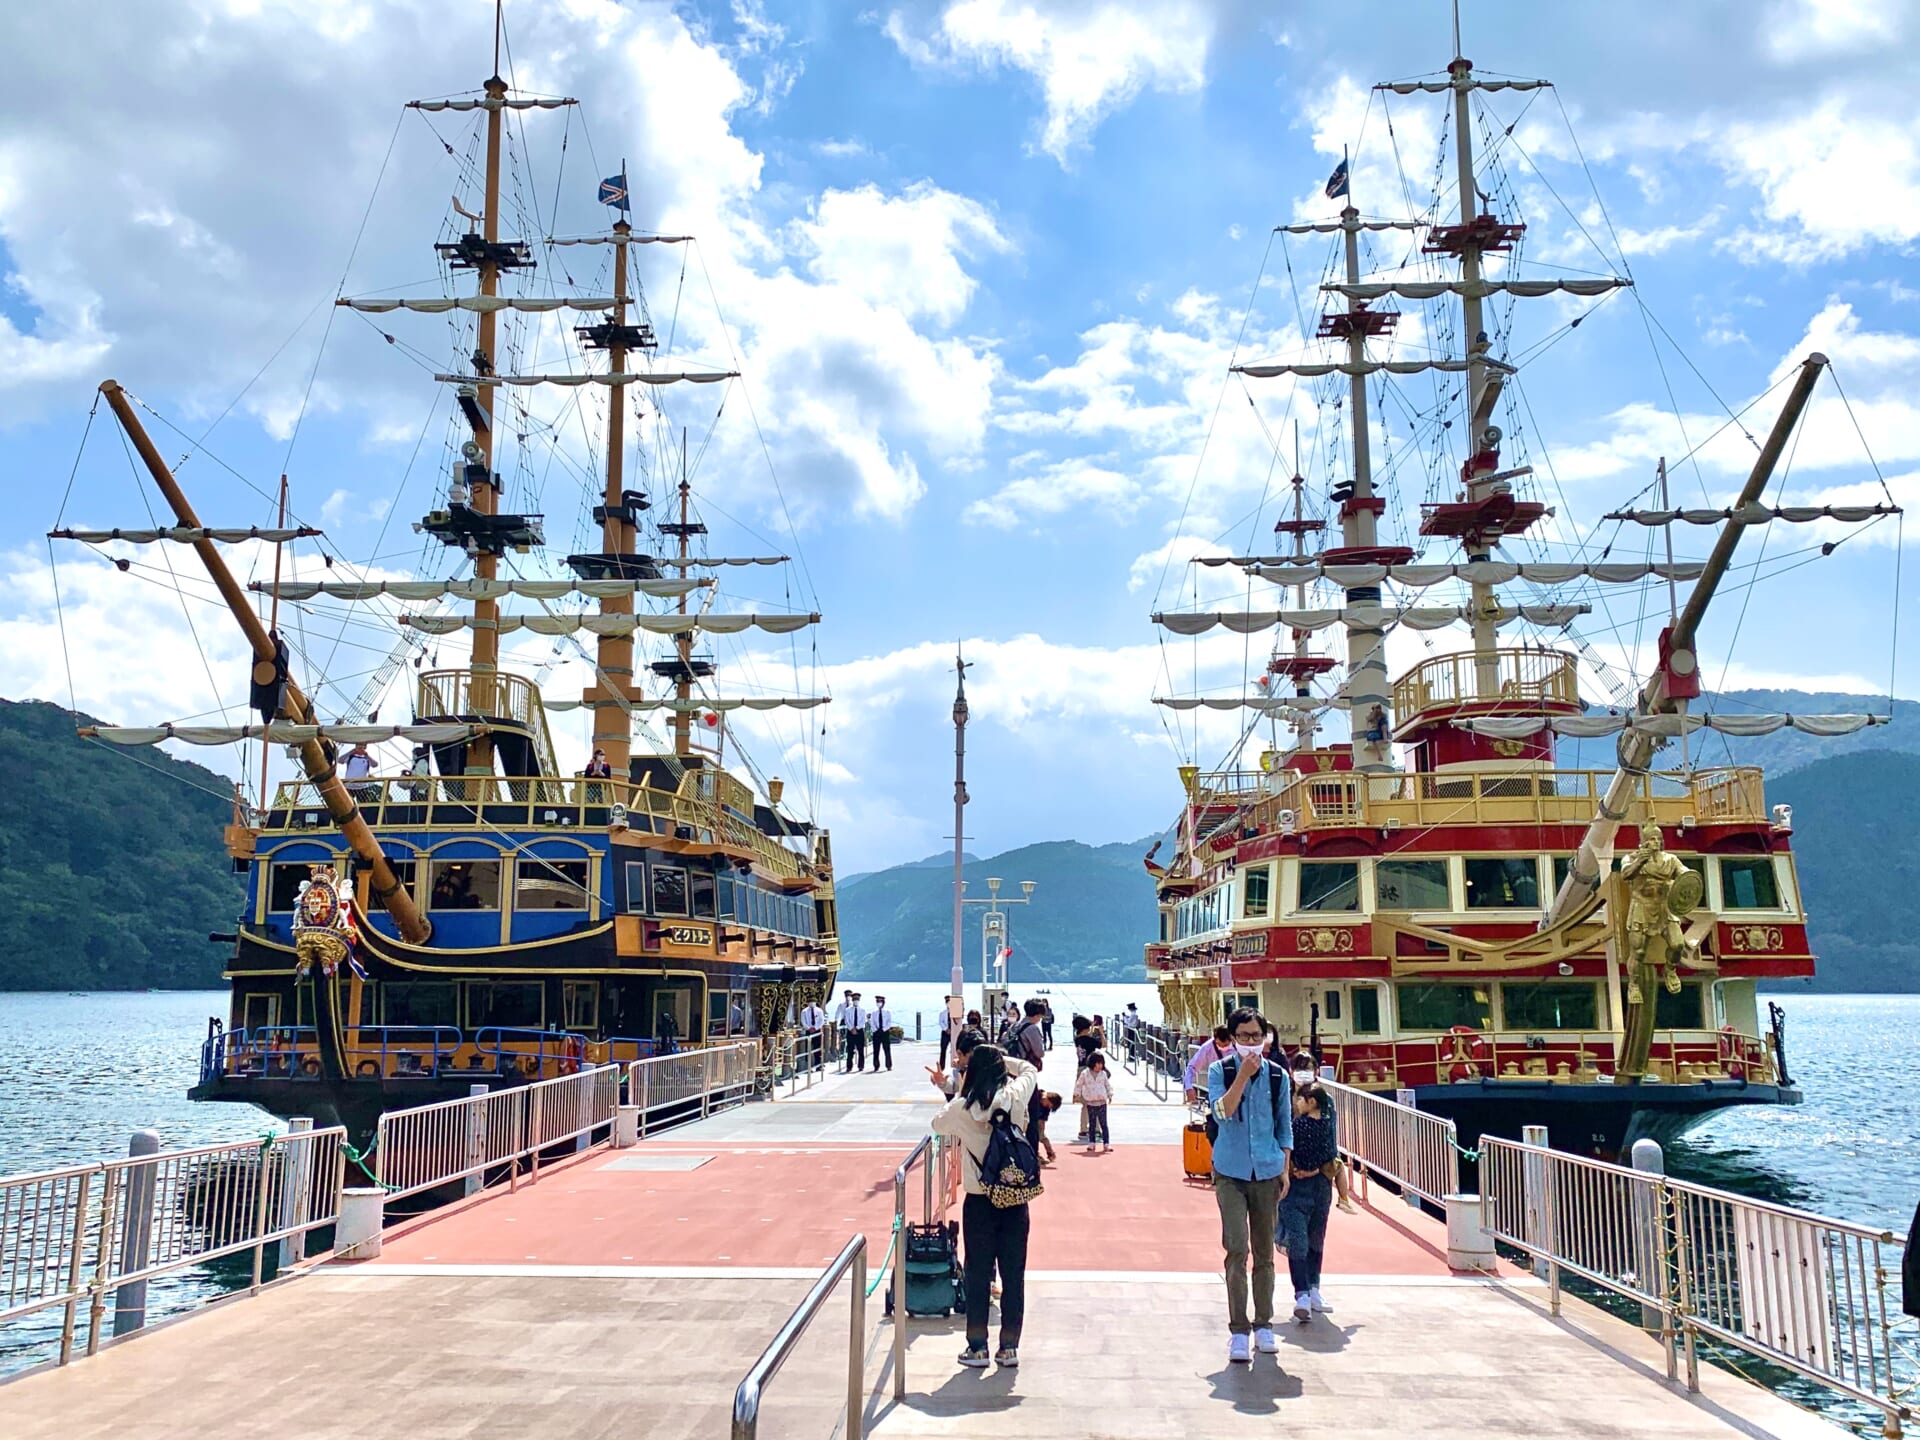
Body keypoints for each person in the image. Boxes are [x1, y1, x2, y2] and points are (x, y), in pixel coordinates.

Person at [927, 1042, 1037, 1370]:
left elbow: (937, 1125)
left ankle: (977, 1348)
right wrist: (1003, 1059)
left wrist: (959, 1087)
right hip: (1015, 1198)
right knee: (1013, 1273)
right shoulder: (1015, 1095)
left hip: (979, 1201)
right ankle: (1009, 1348)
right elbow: (1029, 1069)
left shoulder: (962, 1108)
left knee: (977, 1273)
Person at [1208, 1006, 1293, 1365]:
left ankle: (1264, 1324)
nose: (1251, 1042)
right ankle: (1239, 1330)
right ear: (1232, 1039)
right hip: (1230, 1171)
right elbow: (1222, 1112)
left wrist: (1284, 1167)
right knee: (1236, 1249)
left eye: (1257, 1035)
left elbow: (1284, 1125)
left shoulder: (1277, 1076)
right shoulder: (1221, 1071)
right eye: (1244, 1036)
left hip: (1267, 1170)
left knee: (1264, 1252)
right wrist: (1242, 1075)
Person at [1280, 1075, 1337, 1324]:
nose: (1298, 1103)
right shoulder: (1301, 1125)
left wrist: (1308, 1170)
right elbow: (1328, 1154)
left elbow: (1328, 1153)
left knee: (1312, 1239)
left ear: (1311, 1101)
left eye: (1301, 1099)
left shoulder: (1314, 1124)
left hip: (1315, 1187)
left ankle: (1311, 1289)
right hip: (1302, 1188)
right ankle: (1303, 1291)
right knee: (1303, 1239)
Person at [1183, 1026, 1235, 1106]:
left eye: (1225, 1045)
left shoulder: (1238, 1045)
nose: (1222, 1048)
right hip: (1217, 1089)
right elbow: (1192, 1067)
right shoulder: (1207, 1047)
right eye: (1219, 1045)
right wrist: (1188, 1087)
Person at [1075, 1050, 1114, 1153]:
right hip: (1091, 1102)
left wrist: (1110, 1094)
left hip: (1102, 1102)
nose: (1100, 1066)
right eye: (1098, 1064)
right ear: (1093, 1063)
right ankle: (1091, 1143)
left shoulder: (1103, 1074)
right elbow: (1079, 1084)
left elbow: (1107, 1085)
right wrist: (1076, 1094)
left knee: (1103, 1124)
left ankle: (1106, 1143)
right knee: (1092, 1124)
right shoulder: (1085, 1073)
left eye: (1102, 1064)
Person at [834, 991, 867, 1072]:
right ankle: (849, 1067)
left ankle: (861, 1066)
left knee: (860, 1050)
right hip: (850, 1031)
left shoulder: (862, 1010)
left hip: (860, 1031)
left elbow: (863, 1020)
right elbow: (846, 1020)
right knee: (850, 1050)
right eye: (854, 999)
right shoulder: (848, 1010)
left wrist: (857, 1028)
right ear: (852, 1000)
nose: (856, 1001)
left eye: (857, 999)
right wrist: (851, 1028)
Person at [1035, 1091, 1062, 1165]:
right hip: (1027, 1117)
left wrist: (1041, 1130)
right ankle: (1036, 1155)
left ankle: (1049, 1153)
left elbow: (1043, 1120)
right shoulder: (1036, 1095)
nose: (1047, 1107)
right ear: (1047, 1099)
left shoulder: (1046, 1108)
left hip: (1038, 1121)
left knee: (1041, 1137)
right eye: (1048, 1105)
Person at [870, 995, 894, 1071]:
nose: (878, 1003)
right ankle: (876, 1066)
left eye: (880, 1001)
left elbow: (889, 1023)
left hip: (885, 1033)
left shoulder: (887, 1012)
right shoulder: (874, 1012)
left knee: (887, 1049)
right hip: (876, 1033)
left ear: (883, 1002)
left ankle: (888, 1065)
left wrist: (883, 1030)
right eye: (877, 1001)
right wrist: (875, 1030)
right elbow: (872, 1022)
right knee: (876, 1050)